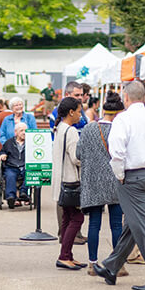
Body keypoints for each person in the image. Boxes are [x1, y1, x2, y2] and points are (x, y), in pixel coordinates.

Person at [92, 81, 145, 290]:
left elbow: (117, 151)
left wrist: (120, 176)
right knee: (135, 224)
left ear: (125, 97)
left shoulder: (123, 120)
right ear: (144, 97)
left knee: (143, 226)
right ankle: (111, 266)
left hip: (132, 175)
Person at [77, 92, 127, 277]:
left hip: (93, 183)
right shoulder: (121, 130)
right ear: (119, 113)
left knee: (94, 225)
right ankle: (118, 264)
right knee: (116, 225)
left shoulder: (89, 129)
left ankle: (92, 263)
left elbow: (78, 154)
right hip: (116, 181)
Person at [51, 97, 84, 270]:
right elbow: (76, 158)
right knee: (77, 218)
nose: (80, 115)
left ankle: (67, 254)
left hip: (60, 180)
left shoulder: (58, 129)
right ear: (71, 112)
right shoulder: (70, 131)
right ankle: (64, 255)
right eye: (79, 111)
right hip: (71, 180)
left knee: (67, 218)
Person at [0, 122, 29, 209]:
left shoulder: (31, 143)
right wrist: (2, 155)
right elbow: (2, 151)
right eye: (21, 131)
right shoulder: (9, 142)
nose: (24, 132)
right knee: (10, 175)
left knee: (30, 173)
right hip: (12, 166)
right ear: (15, 132)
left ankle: (23, 193)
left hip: (25, 165)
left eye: (26, 131)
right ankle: (11, 197)